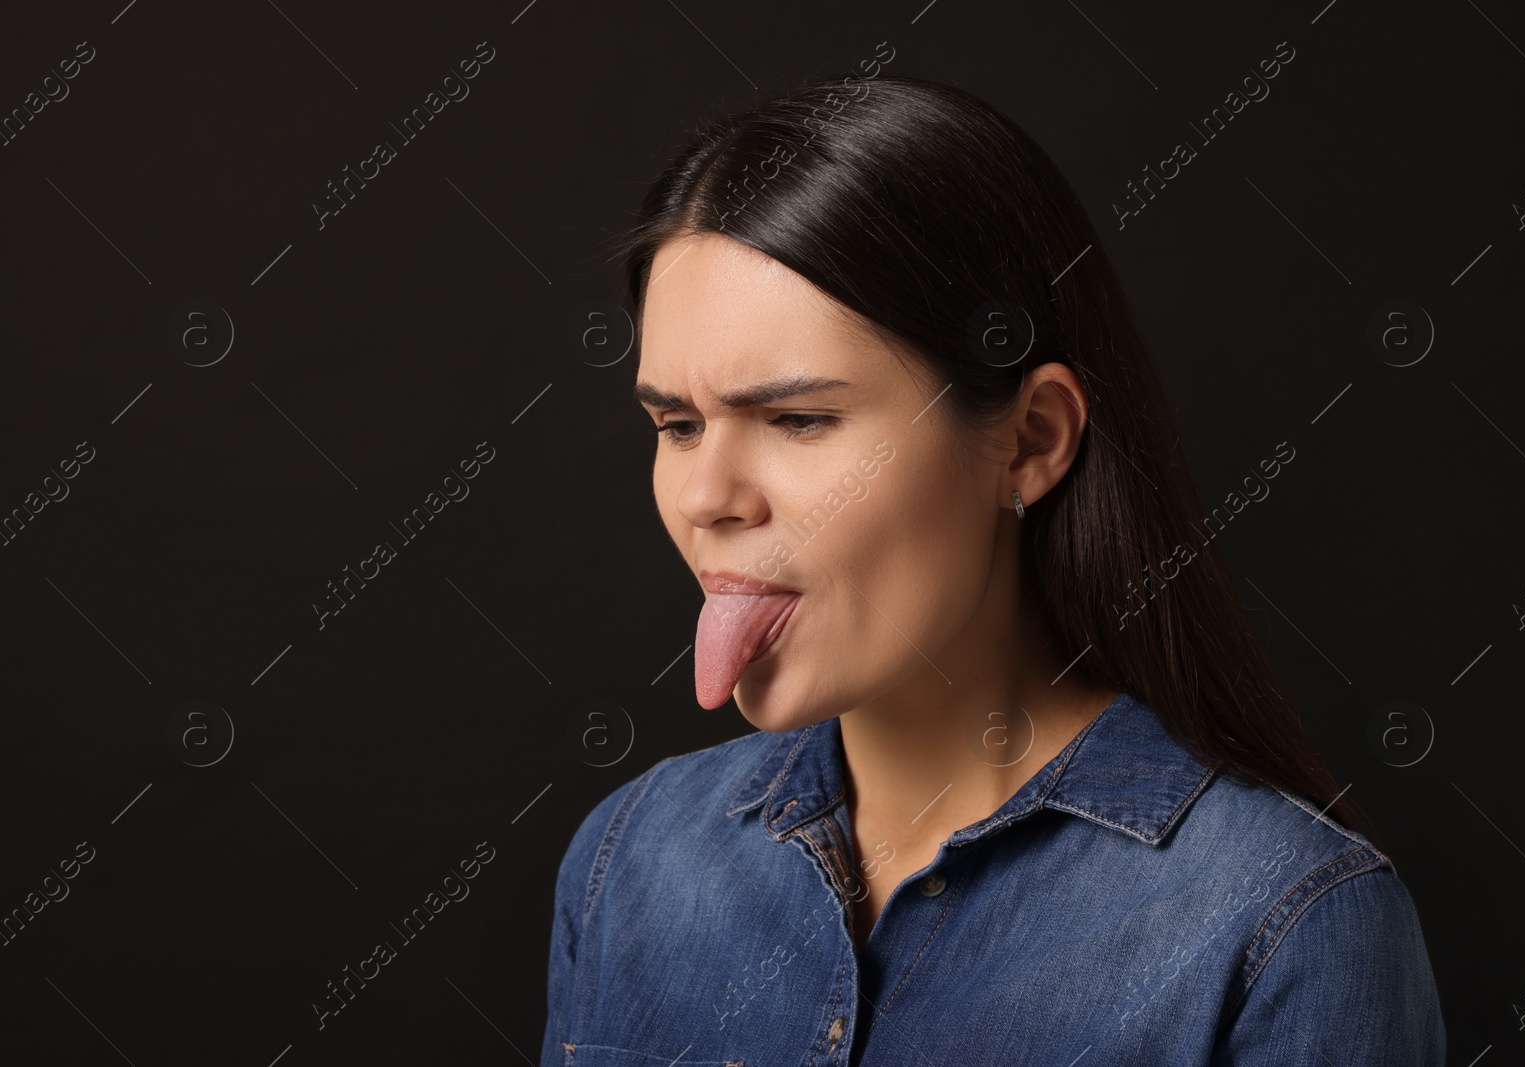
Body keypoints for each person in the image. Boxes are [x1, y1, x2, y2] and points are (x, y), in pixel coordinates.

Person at [541, 70, 1446, 1066]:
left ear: (1029, 440)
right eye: (675, 424)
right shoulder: (629, 859)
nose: (708, 494)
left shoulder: (1286, 925)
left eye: (798, 419)